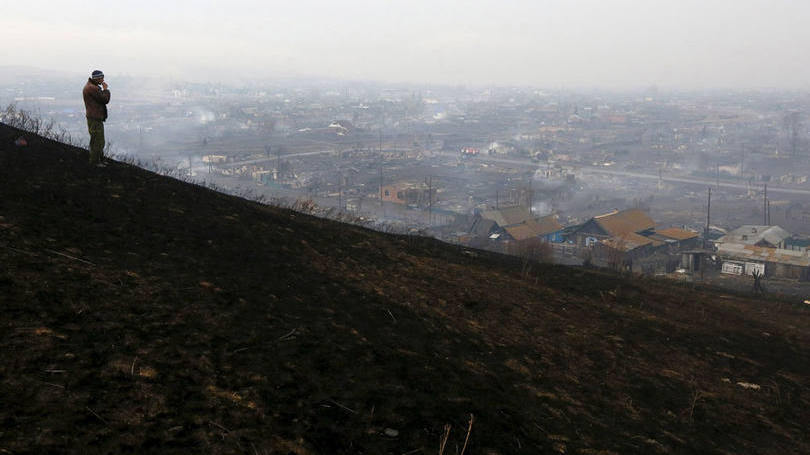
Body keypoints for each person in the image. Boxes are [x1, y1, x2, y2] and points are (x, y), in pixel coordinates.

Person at [82, 70, 111, 166]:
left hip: (94, 117)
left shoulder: (91, 87)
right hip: (95, 117)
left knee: (97, 139)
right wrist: (106, 89)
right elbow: (105, 99)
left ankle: (99, 159)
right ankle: (95, 162)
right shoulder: (92, 88)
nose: (103, 80)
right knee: (98, 140)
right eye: (102, 78)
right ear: (97, 78)